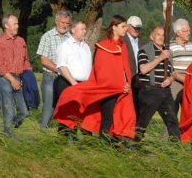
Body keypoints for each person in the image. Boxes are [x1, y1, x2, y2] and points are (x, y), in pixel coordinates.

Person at [54, 15, 136, 144]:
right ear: (114, 27)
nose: (126, 29)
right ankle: (69, 141)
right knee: (102, 117)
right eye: (123, 26)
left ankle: (111, 144)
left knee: (120, 116)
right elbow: (102, 72)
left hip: (118, 88)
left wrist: (126, 84)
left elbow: (125, 69)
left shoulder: (121, 46)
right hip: (103, 88)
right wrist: (75, 84)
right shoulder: (103, 46)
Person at [135, 26, 184, 142]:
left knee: (172, 121)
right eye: (158, 34)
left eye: (163, 35)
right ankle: (134, 146)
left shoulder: (168, 52)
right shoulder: (144, 50)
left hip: (165, 91)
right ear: (152, 37)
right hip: (149, 90)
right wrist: (161, 57)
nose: (161, 37)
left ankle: (176, 150)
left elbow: (172, 73)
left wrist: (170, 80)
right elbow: (143, 69)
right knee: (143, 121)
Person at [0, 14, 31, 136]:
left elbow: (26, 61)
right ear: (6, 25)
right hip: (4, 78)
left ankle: (7, 129)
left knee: (24, 111)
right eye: (15, 24)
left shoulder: (21, 41)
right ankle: (8, 134)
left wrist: (27, 76)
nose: (17, 26)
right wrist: (12, 80)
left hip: (18, 77)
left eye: (17, 23)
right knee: (8, 108)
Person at [53, 19, 92, 138]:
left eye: (85, 29)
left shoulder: (86, 47)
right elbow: (62, 66)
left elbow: (89, 66)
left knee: (83, 113)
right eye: (82, 29)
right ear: (73, 30)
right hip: (67, 82)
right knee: (67, 114)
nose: (85, 31)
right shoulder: (65, 46)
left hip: (83, 84)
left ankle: (83, 141)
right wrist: (73, 83)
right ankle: (62, 141)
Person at [37, 10, 71, 129]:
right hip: (51, 77)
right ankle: (43, 132)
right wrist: (60, 70)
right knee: (49, 107)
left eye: (67, 23)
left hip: (66, 78)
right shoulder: (47, 36)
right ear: (56, 21)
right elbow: (44, 60)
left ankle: (64, 135)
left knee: (65, 107)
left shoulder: (70, 38)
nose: (65, 25)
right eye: (62, 22)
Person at [121, 16, 147, 121]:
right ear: (127, 26)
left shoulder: (143, 42)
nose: (137, 30)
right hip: (126, 79)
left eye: (139, 28)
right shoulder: (122, 40)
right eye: (134, 27)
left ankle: (133, 133)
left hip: (140, 81)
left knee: (138, 109)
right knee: (124, 109)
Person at [169, 19, 192, 113]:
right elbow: (168, 68)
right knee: (172, 111)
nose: (189, 33)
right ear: (178, 33)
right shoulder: (170, 46)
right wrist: (181, 78)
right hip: (175, 83)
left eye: (189, 30)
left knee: (190, 112)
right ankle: (170, 128)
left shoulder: (191, 45)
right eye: (186, 31)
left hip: (190, 82)